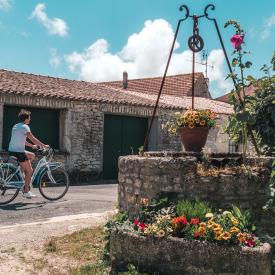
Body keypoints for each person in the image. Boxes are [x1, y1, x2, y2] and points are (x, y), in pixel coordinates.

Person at [8, 109, 49, 198]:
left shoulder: (16, 126)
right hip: (19, 152)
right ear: (26, 119)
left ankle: (23, 174)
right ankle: (26, 191)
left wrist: (32, 146)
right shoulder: (25, 127)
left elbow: (22, 140)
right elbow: (33, 138)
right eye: (29, 118)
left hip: (12, 150)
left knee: (32, 155)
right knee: (30, 171)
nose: (30, 120)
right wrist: (44, 145)